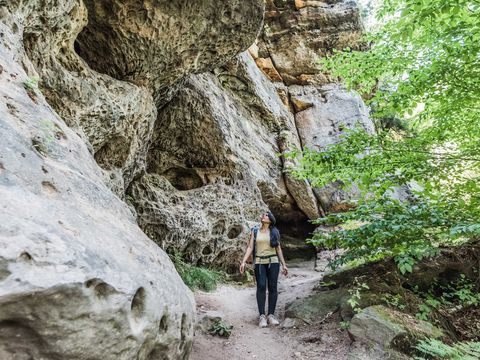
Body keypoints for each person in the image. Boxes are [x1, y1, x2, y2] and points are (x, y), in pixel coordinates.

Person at [239, 210, 288, 328]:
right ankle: (262, 316)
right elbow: (250, 247)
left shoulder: (274, 232)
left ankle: (271, 315)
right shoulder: (255, 231)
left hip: (273, 262)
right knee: (261, 286)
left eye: (266, 215)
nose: (263, 215)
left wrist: (284, 264)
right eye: (263, 214)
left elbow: (278, 249)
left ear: (270, 220)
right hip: (260, 262)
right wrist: (244, 261)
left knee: (272, 287)